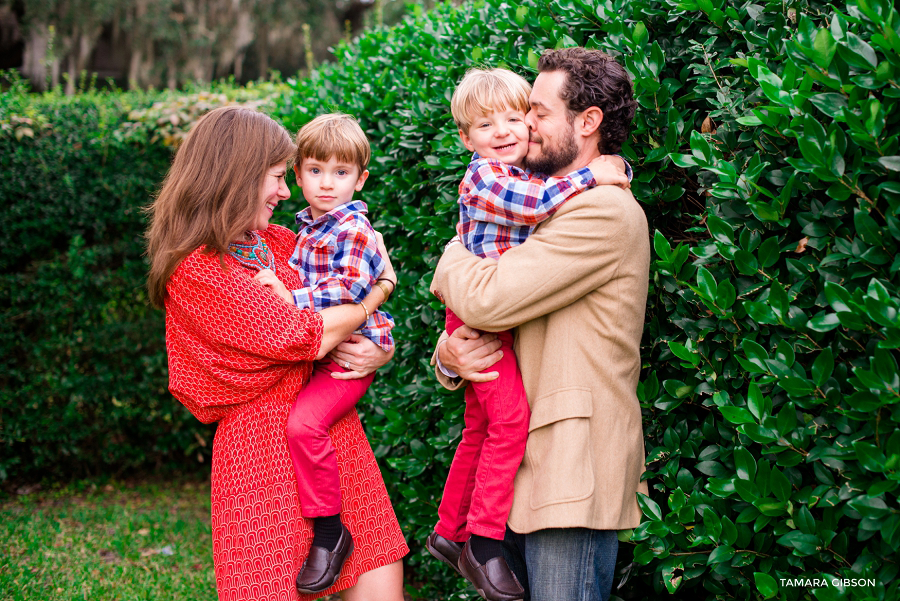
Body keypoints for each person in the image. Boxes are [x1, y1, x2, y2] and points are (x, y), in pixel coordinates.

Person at [146, 105, 407, 601]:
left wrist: (378, 348)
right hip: (259, 458)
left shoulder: (282, 241)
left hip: (331, 439)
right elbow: (303, 334)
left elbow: (351, 277)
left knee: (379, 582)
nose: (287, 192)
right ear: (235, 177)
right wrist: (379, 293)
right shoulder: (197, 270)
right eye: (274, 178)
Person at [430, 48, 649, 601]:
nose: (524, 125)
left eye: (538, 111)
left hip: (572, 472)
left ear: (587, 122)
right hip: (520, 471)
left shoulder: (605, 212)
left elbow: (489, 299)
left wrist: (451, 255)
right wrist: (448, 358)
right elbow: (492, 326)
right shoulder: (534, 207)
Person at [253, 113, 396, 595]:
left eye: (341, 173)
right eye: (315, 170)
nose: (327, 184)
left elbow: (348, 289)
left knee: (304, 425)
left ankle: (331, 534)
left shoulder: (353, 230)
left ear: (361, 179)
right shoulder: (303, 230)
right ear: (297, 175)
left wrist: (284, 298)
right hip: (326, 353)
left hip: (348, 357)